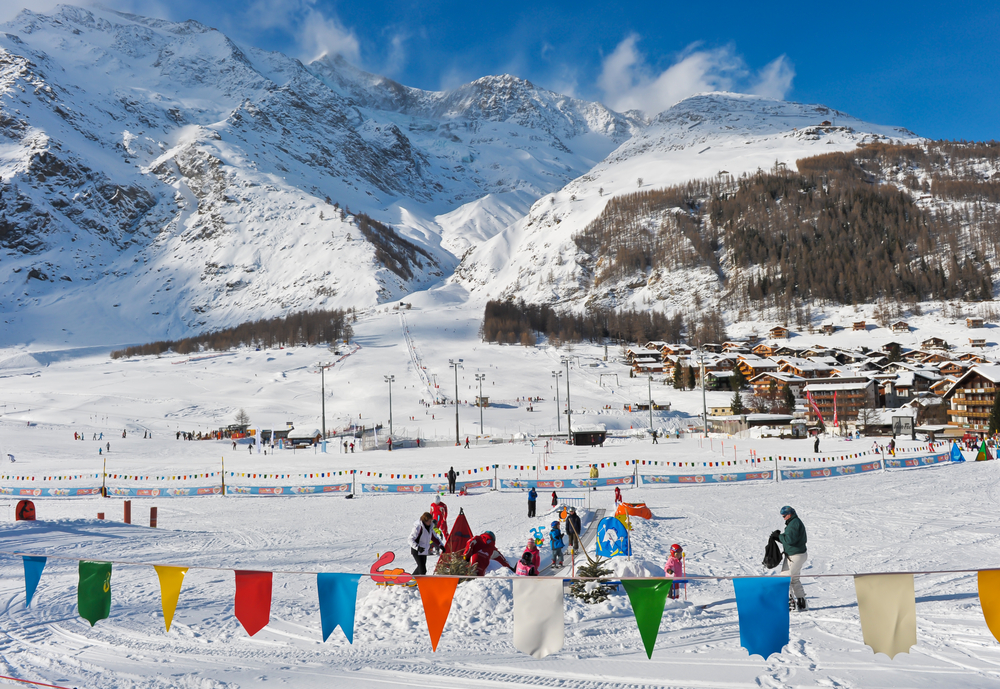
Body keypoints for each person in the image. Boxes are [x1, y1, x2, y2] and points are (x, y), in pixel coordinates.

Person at [772, 505, 808, 611]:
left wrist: (779, 536)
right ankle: (802, 603)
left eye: (784, 516)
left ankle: (790, 604)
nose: (783, 517)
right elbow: (792, 539)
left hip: (795, 555)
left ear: (790, 514)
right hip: (799, 554)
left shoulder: (794, 524)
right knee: (794, 579)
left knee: (785, 579)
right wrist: (780, 537)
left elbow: (790, 540)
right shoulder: (795, 522)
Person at [409, 512, 443, 576]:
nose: (431, 522)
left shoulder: (430, 527)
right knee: (422, 569)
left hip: (424, 550)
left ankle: (411, 579)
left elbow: (434, 537)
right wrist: (417, 547)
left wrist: (441, 546)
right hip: (417, 550)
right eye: (430, 521)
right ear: (425, 520)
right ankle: (420, 583)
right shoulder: (418, 528)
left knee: (421, 568)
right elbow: (410, 539)